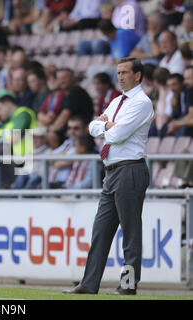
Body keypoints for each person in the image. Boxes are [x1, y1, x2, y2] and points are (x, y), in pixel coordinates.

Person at [63, 57, 154, 295]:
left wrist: (105, 126)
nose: (120, 76)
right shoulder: (116, 101)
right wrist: (106, 125)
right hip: (112, 170)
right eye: (118, 72)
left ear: (138, 75)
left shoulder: (141, 102)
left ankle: (128, 285)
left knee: (130, 230)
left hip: (130, 168)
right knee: (101, 230)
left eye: (125, 72)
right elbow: (92, 128)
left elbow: (117, 136)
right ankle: (89, 283)